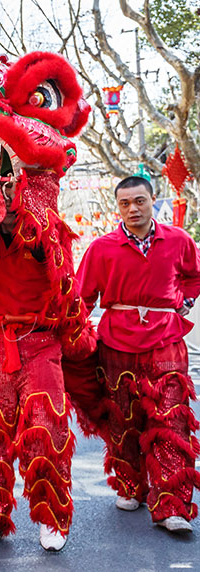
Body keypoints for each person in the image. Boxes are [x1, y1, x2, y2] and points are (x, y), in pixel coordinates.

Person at [76, 175, 200, 534]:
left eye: (140, 201)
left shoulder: (179, 240)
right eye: (125, 203)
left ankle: (173, 505)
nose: (133, 209)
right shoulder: (101, 248)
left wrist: (185, 301)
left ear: (153, 200)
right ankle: (131, 485)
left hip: (167, 344)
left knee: (172, 422)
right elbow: (82, 298)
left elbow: (194, 277)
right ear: (118, 207)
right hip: (116, 346)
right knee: (123, 421)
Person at [0, 178, 74, 551]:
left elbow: (67, 289)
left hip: (41, 342)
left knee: (46, 428)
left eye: (14, 192)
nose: (7, 201)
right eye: (0, 192)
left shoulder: (50, 233)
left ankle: (52, 516)